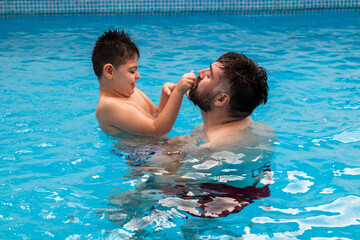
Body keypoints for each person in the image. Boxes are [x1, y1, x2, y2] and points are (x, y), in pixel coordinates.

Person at [92, 30, 196, 135]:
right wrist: (178, 93)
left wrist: (167, 95)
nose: (138, 75)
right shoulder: (109, 107)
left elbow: (156, 115)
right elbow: (157, 130)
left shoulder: (131, 91)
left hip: (157, 146)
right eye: (132, 71)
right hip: (141, 151)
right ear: (109, 71)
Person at [188, 51, 271, 149]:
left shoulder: (213, 147)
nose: (201, 72)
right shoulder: (260, 129)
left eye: (209, 75)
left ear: (221, 99)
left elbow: (168, 161)